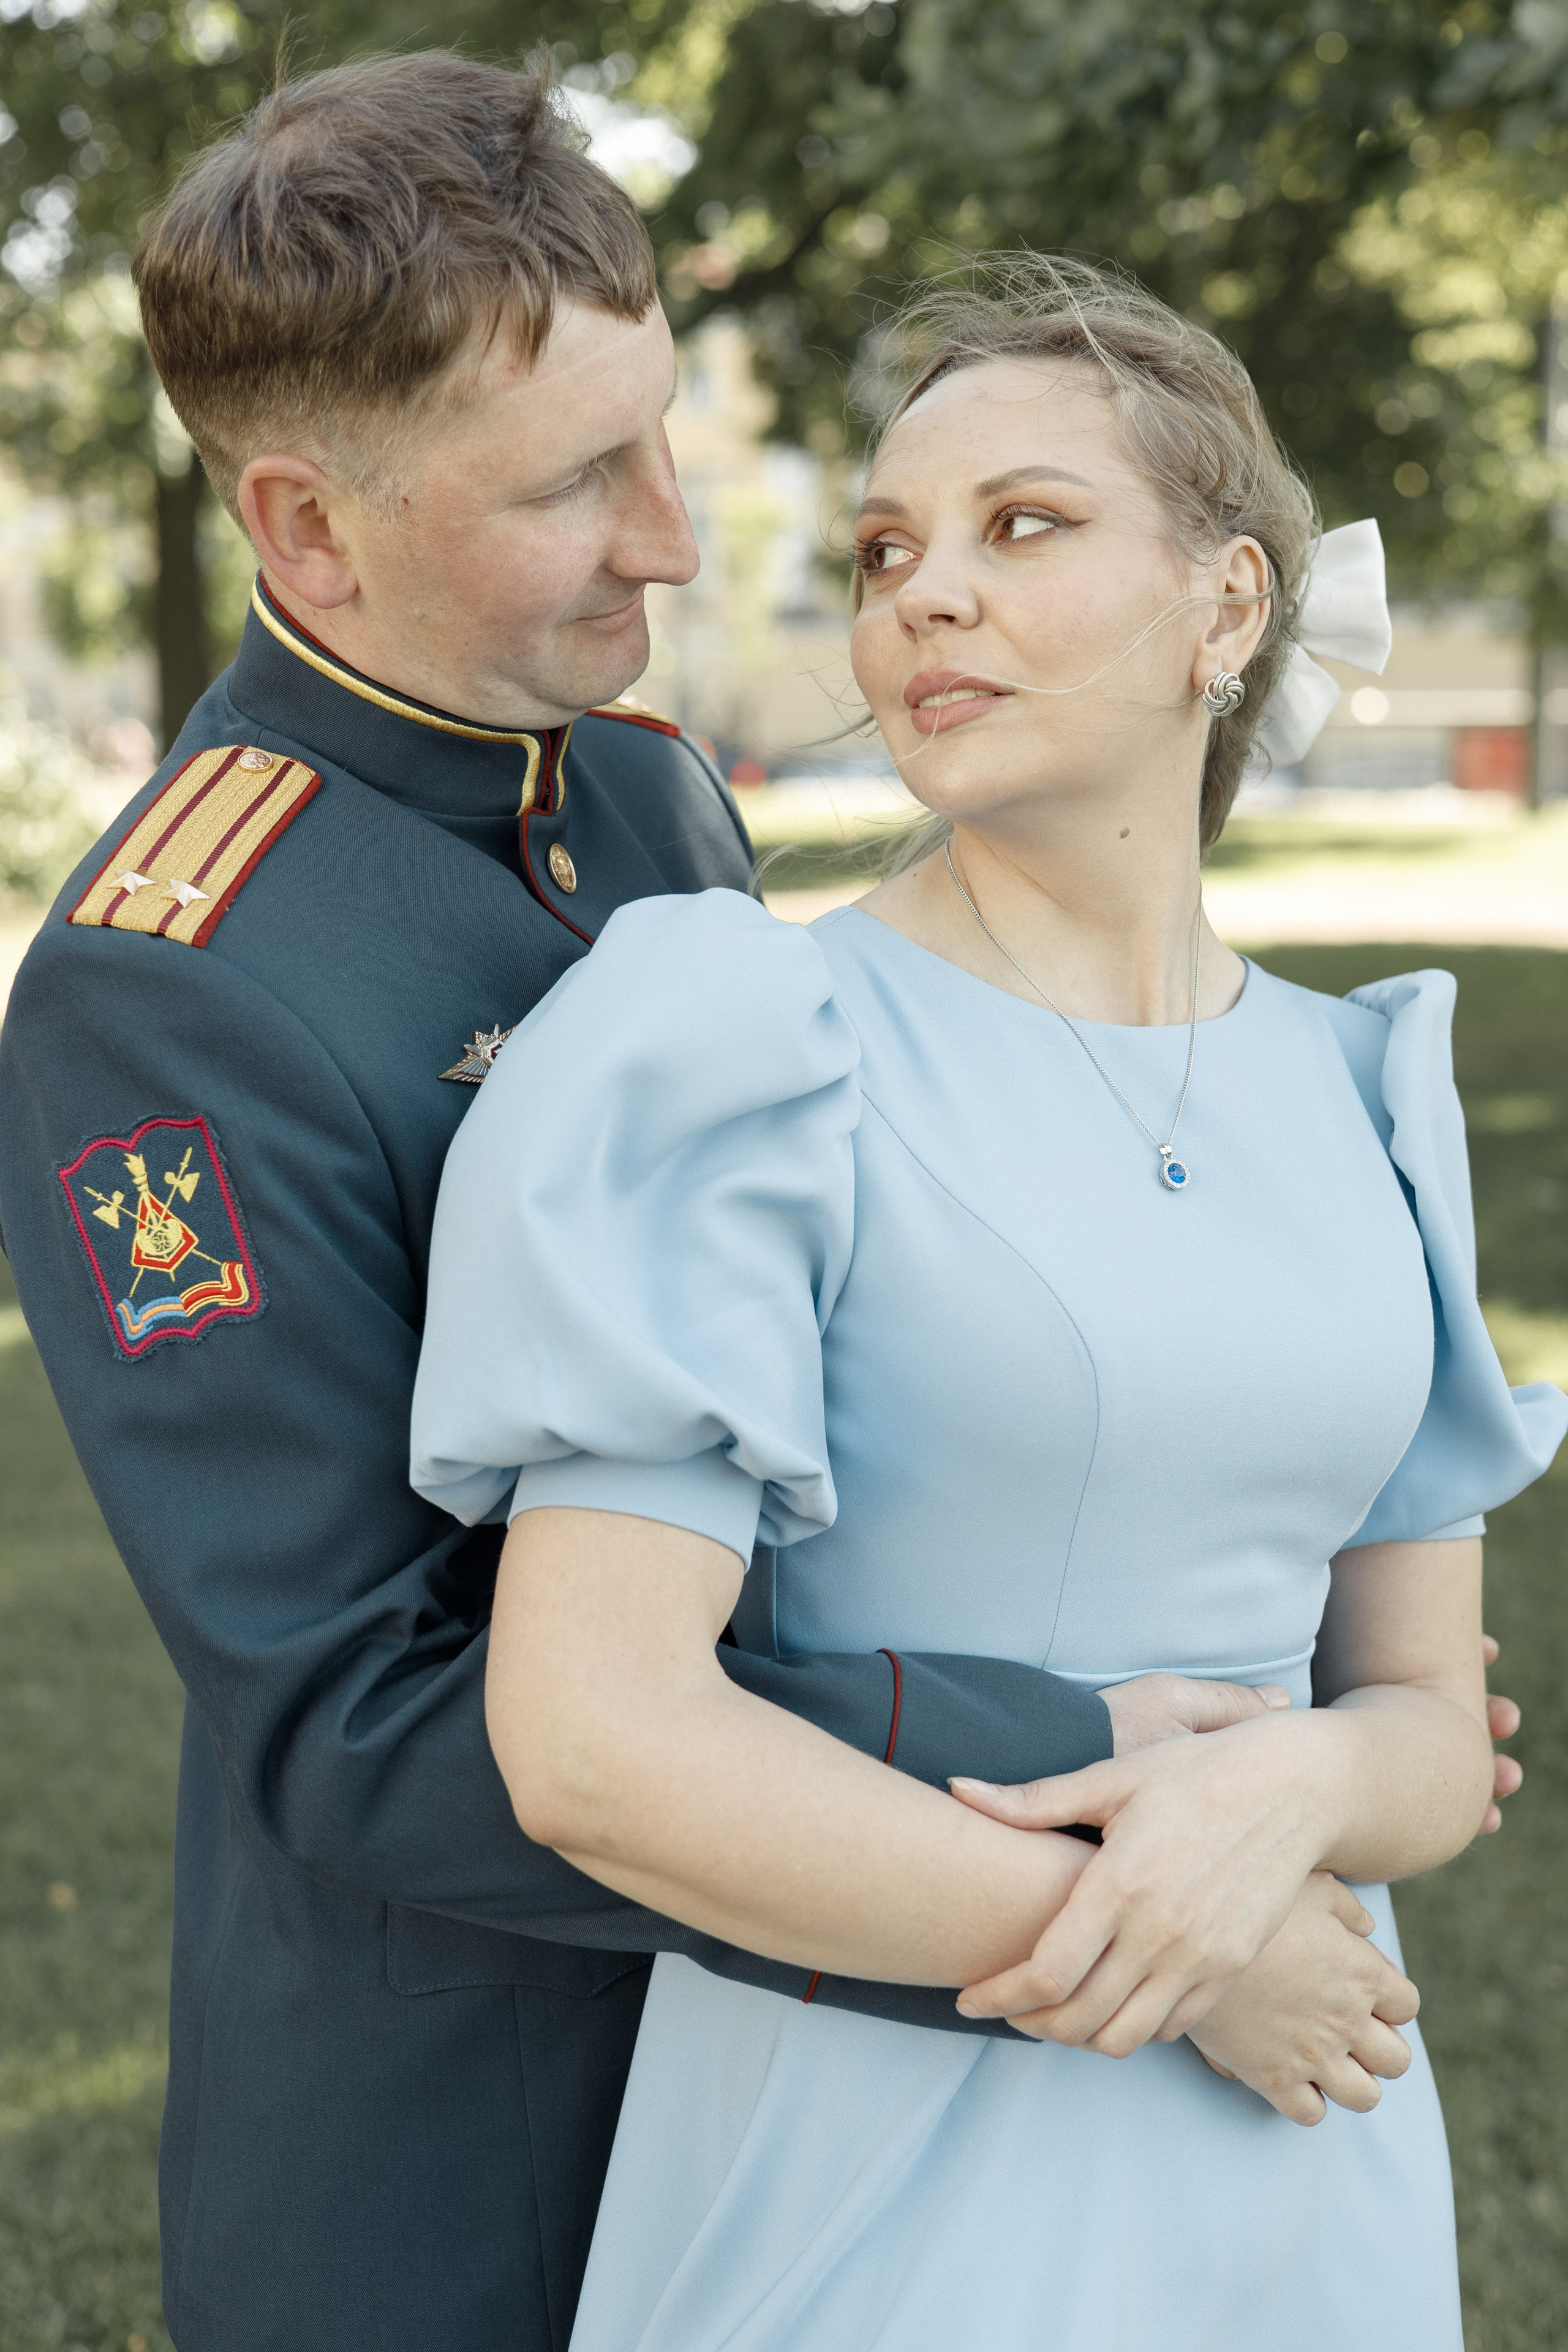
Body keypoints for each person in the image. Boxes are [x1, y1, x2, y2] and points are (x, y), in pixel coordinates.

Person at [0, 60, 1421, 2352]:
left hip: (822, 2087)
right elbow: (365, 1721)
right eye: (576, 482)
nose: (674, 536)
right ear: (306, 526)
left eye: (661, 433)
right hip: (476, 2128)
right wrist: (1056, 1793)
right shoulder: (174, 993)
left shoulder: (650, 802)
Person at [410, 258, 1568, 2351]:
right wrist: (1191, 1947)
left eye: (1022, 528)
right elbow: (594, 1742)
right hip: (893, 2127)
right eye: (885, 551)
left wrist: (1282, 1800)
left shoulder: (1367, 1087)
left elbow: (1423, 1729)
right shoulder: (739, 1041)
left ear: (1228, 606)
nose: (924, 596)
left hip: (1309, 2147)